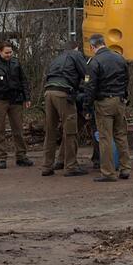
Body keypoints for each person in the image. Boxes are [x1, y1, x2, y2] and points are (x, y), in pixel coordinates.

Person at [84, 33, 131, 182]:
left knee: (105, 138)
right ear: (104, 42)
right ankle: (125, 168)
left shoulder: (94, 62)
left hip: (104, 102)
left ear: (92, 46)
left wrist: (87, 106)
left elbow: (90, 86)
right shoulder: (119, 58)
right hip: (119, 100)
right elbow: (126, 78)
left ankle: (108, 172)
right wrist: (123, 95)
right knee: (121, 135)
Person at [0, 41, 33, 169]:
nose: (9, 55)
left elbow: (23, 80)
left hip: (15, 99)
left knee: (18, 129)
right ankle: (1, 157)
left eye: (10, 52)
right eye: (6, 52)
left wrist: (27, 98)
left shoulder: (16, 63)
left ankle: (21, 156)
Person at [41, 42, 89, 177]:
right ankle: (71, 166)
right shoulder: (76, 55)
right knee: (70, 131)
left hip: (49, 92)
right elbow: (87, 75)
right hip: (63, 94)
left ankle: (46, 166)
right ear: (76, 48)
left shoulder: (57, 58)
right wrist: (85, 88)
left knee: (50, 131)